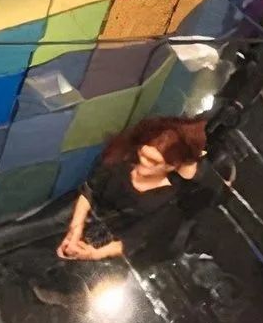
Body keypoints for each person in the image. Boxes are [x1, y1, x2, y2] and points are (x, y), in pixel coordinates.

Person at [43, 115, 224, 296]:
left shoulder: (168, 202)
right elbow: (90, 189)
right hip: (83, 216)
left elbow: (137, 239)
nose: (143, 162)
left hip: (113, 246)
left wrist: (94, 254)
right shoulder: (123, 162)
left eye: (153, 162)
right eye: (143, 155)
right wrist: (75, 228)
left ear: (171, 166)